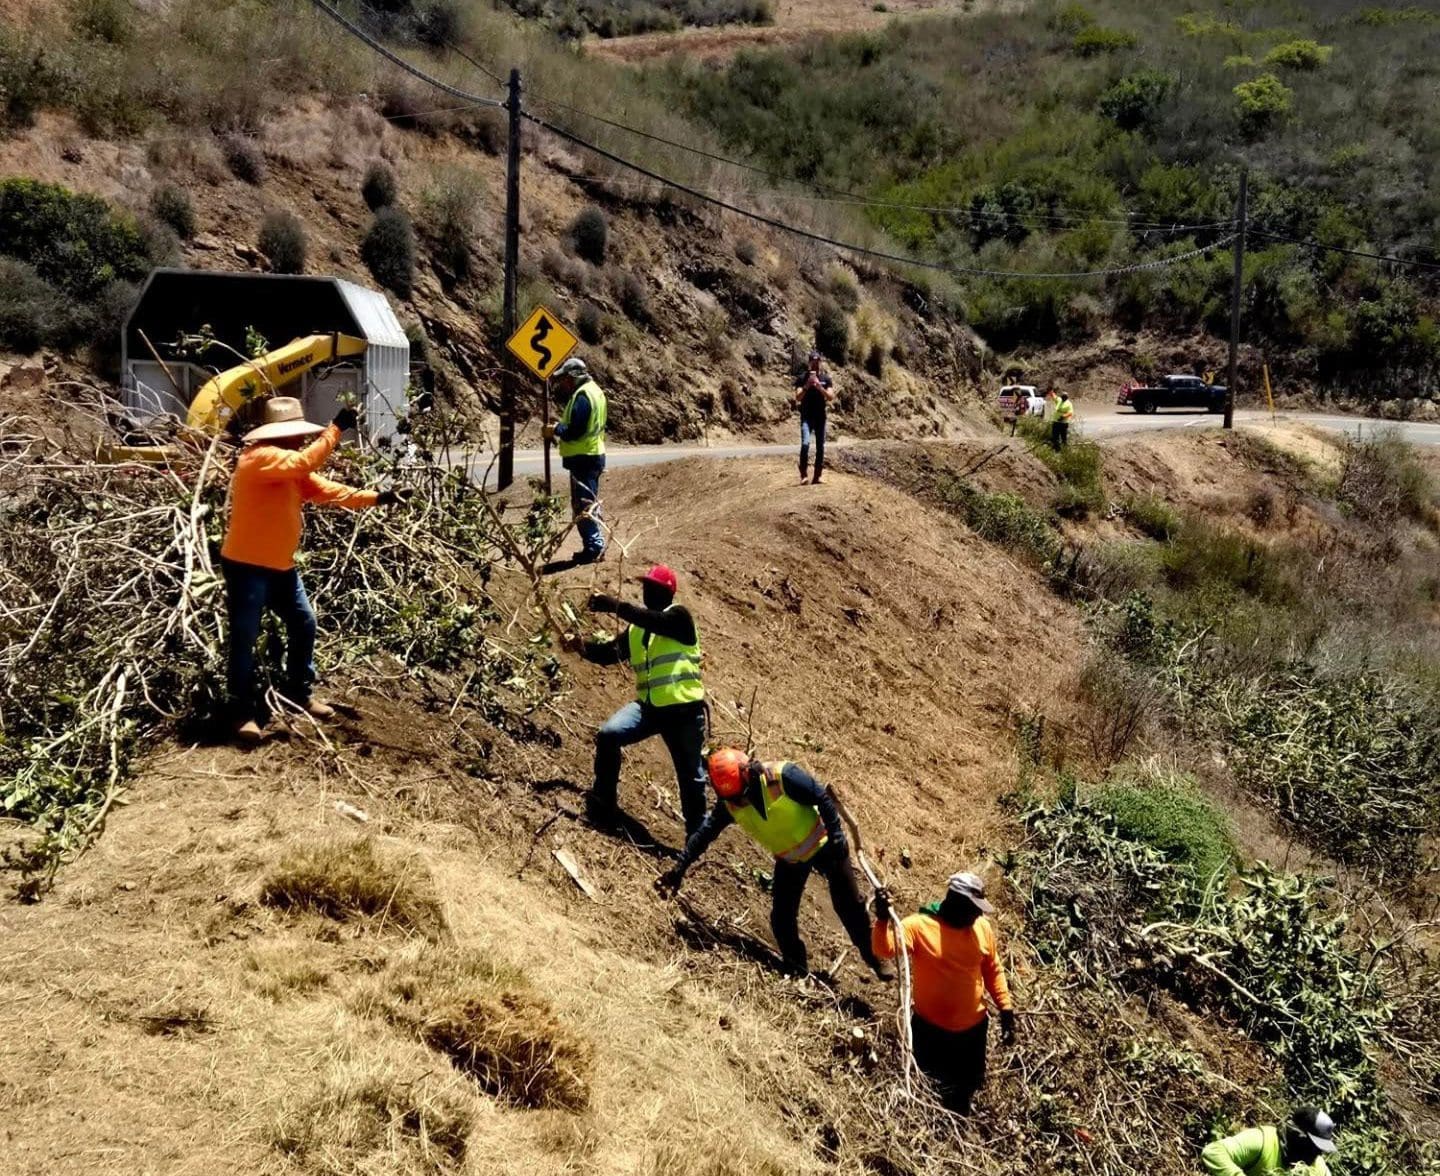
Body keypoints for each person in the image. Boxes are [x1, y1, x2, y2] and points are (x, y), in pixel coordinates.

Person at [220, 396, 403, 743]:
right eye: (296, 434)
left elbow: (325, 491)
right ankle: (242, 711)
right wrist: (336, 429)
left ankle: (298, 694)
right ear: (281, 435)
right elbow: (307, 461)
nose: (301, 439)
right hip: (246, 566)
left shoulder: (288, 467)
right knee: (244, 636)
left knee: (304, 622)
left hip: (280, 566)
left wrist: (378, 498)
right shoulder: (258, 458)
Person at [657, 748, 894, 981]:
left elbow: (821, 796)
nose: (741, 801)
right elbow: (705, 834)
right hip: (790, 859)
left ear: (748, 773)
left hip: (824, 845)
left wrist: (837, 836)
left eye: (742, 794)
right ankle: (797, 969)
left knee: (849, 906)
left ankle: (875, 958)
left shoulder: (783, 776)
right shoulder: (731, 804)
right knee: (781, 919)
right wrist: (679, 868)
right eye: (734, 798)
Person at [872, 872, 1016, 1114]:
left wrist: (1006, 1009)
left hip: (971, 1033)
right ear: (957, 902)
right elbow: (883, 948)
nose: (979, 914)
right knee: (928, 1087)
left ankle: (959, 1129)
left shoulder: (982, 928)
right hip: (929, 1031)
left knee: (964, 1090)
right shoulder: (919, 926)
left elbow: (993, 969)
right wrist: (883, 919)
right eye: (975, 908)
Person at [584, 565, 708, 836]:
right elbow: (610, 654)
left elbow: (655, 621)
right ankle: (603, 801)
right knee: (609, 734)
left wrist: (613, 605)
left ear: (667, 593)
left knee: (691, 778)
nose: (647, 591)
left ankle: (696, 838)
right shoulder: (636, 631)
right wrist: (580, 647)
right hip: (650, 709)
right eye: (646, 587)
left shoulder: (679, 617)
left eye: (653, 588)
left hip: (684, 713)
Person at [543, 356, 607, 564]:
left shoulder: (583, 395)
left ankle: (595, 548)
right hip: (591, 455)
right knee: (586, 503)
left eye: (566, 379)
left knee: (584, 505)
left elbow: (575, 431)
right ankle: (593, 546)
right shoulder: (595, 391)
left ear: (573, 377)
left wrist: (556, 429)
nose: (564, 383)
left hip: (585, 458)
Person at [1201, 1108, 1337, 1175]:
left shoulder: (1316, 1168)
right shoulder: (1262, 1141)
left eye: (1320, 1150)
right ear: (1298, 1137)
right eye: (1314, 1148)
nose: (1317, 1155)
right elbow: (1213, 1152)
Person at [793, 350, 835, 485]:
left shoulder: (826, 379)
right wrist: (807, 386)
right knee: (805, 443)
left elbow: (830, 397)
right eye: (813, 363)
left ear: (820, 363)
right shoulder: (802, 378)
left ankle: (817, 476)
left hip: (820, 418)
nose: (815, 365)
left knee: (820, 447)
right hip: (806, 417)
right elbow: (798, 397)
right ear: (809, 363)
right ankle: (803, 475)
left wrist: (818, 386)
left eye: (817, 363)